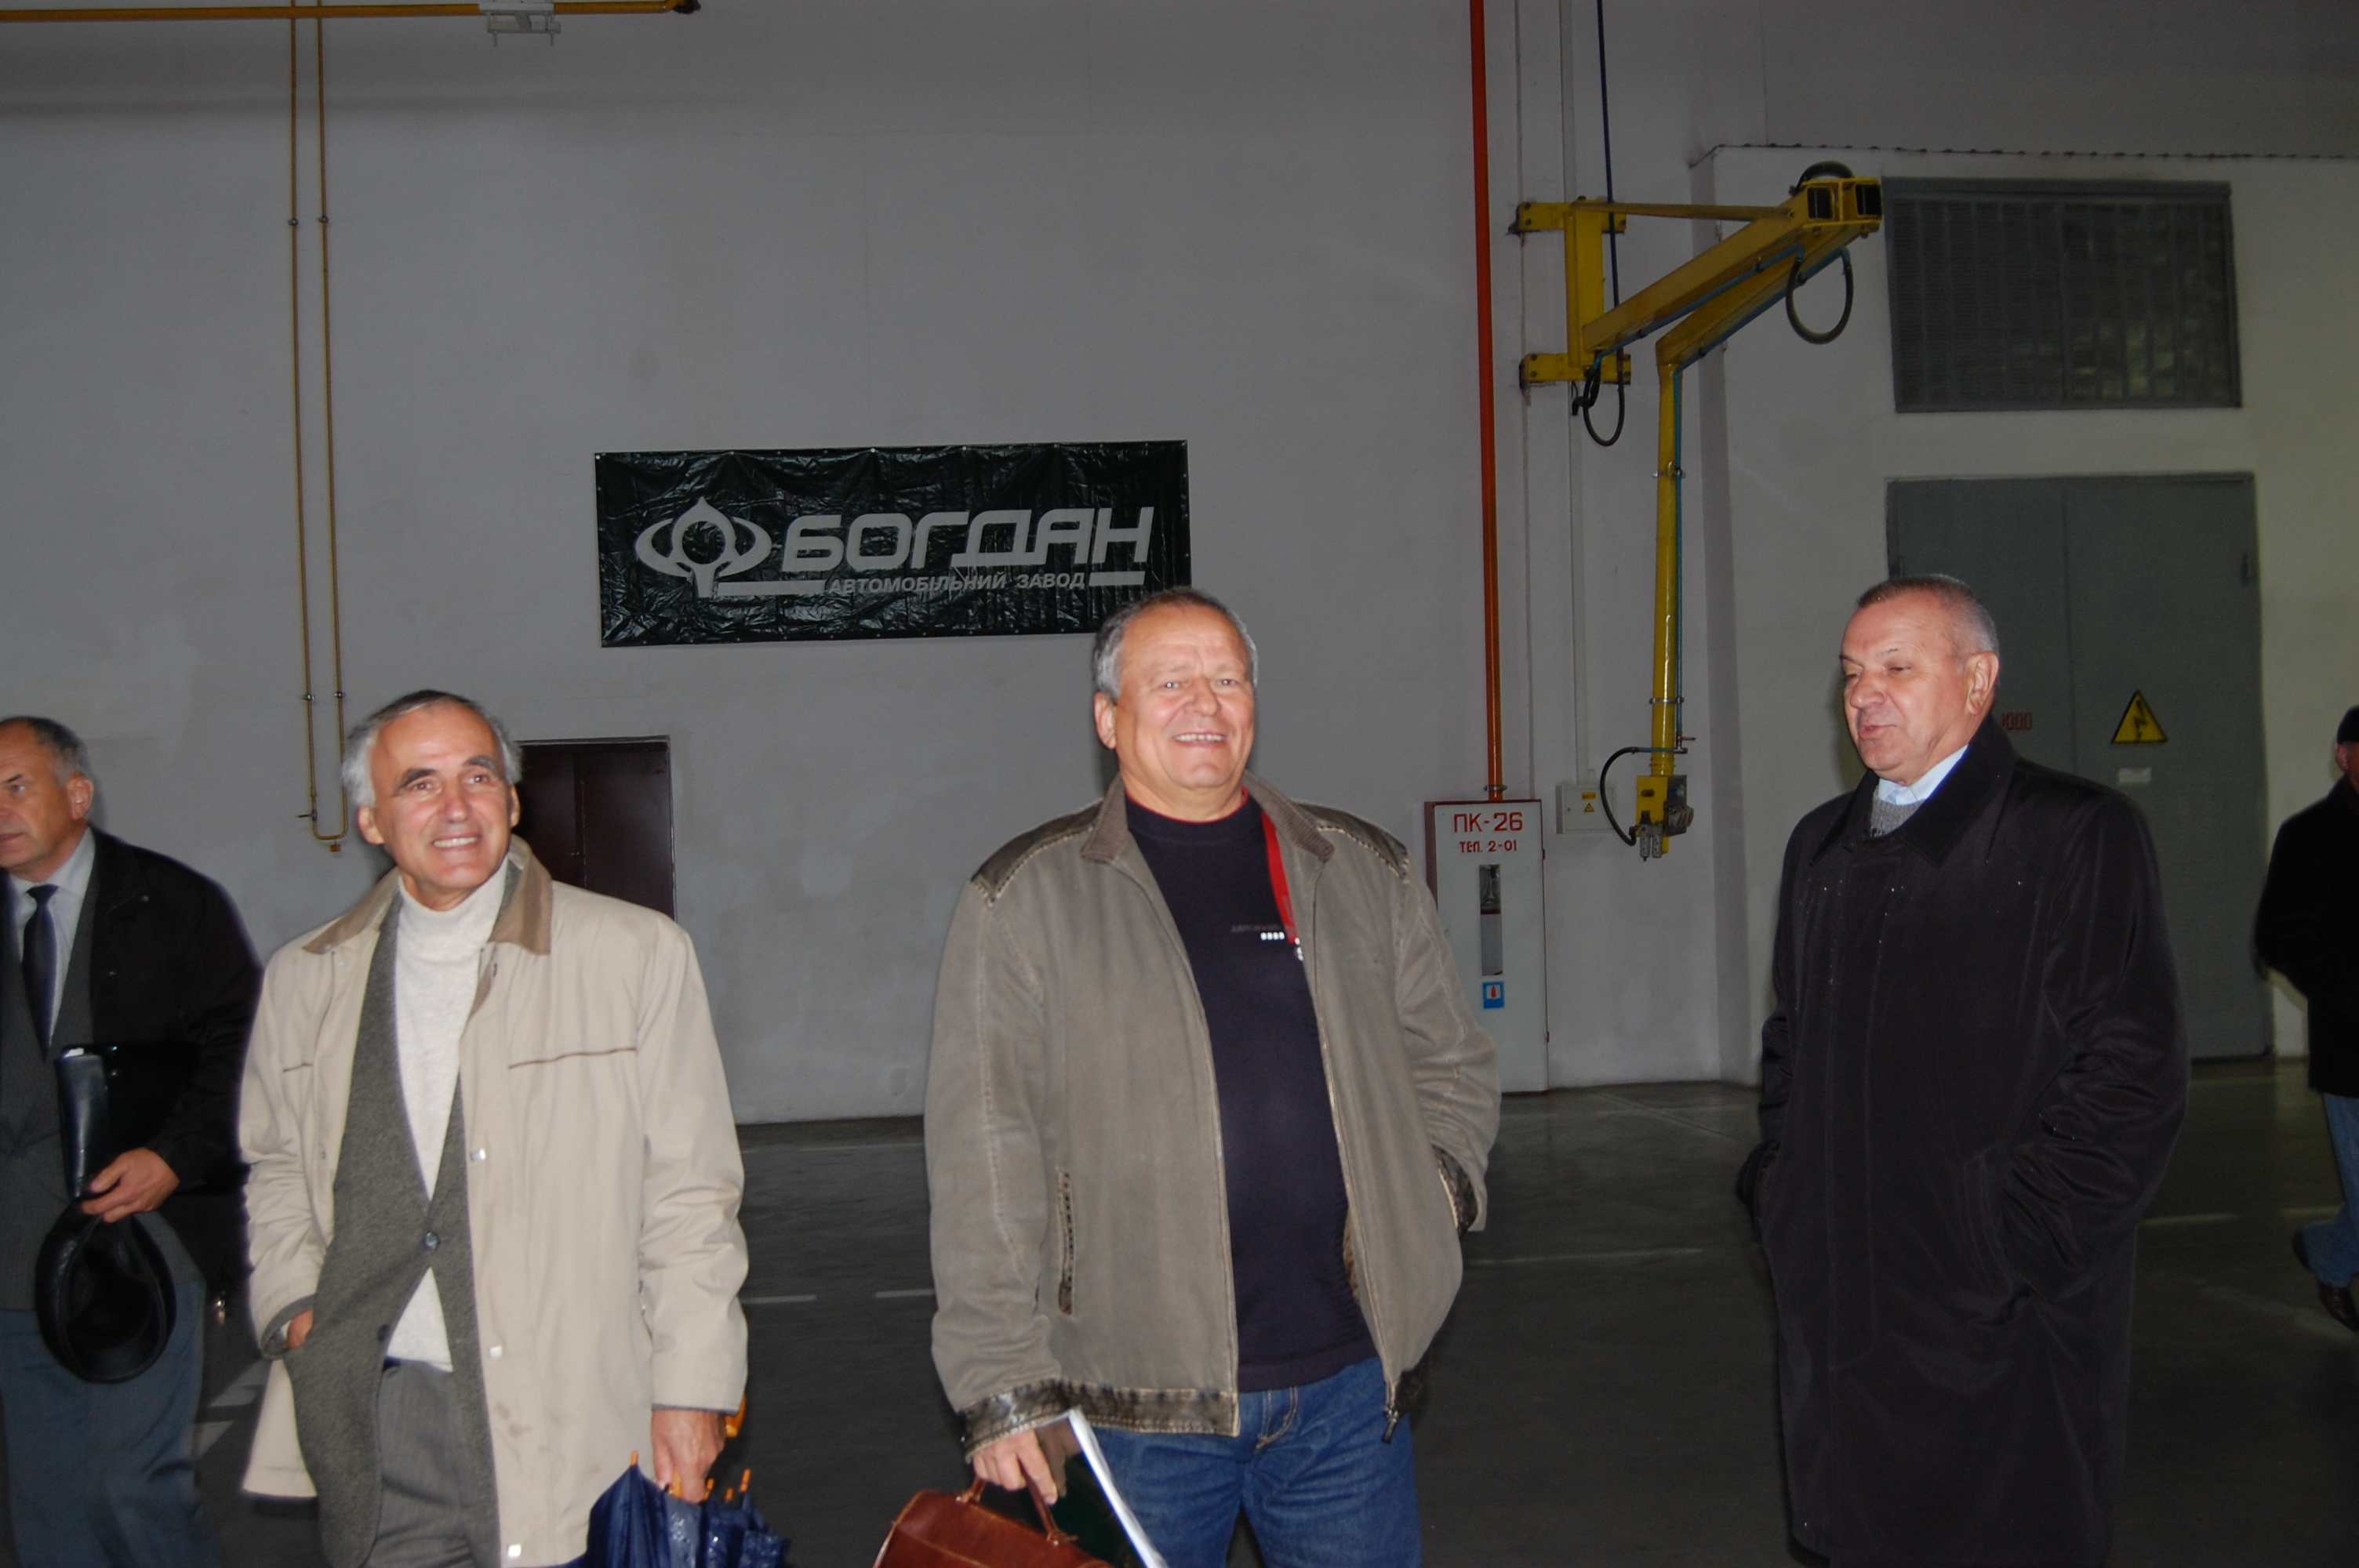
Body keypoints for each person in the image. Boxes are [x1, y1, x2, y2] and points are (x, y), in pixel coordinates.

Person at [925, 587, 1499, 1568]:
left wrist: (1430, 1197)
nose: (1205, 701)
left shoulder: (1359, 870)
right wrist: (1000, 1386)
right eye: (1170, 681)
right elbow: (983, 1151)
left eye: (1226, 678)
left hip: (1349, 1387)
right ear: (1108, 718)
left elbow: (1450, 1060)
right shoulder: (1024, 898)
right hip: (1131, 1406)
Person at [240, 691, 748, 1568]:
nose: (455, 806)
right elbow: (276, 1162)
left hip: (575, 1414)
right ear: (370, 820)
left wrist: (691, 1391)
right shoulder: (306, 978)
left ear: (512, 801)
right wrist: (295, 1312)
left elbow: (690, 1194)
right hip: (380, 1416)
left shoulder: (633, 955)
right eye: (419, 783)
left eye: (478, 777)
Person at [1740, 576, 2188, 1568]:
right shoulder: (1821, 846)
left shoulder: (2070, 833)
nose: (1864, 694)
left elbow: (2131, 1072)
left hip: (1997, 1312)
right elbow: (1790, 1042)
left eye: (1896, 667)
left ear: (1977, 680)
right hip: (1841, 1300)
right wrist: (1782, 1192)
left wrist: (2010, 1241)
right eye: (1851, 673)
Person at [0, 716, 256, 1568]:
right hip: (10, 1251)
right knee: (46, 1499)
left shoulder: (171, 904)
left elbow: (243, 1050)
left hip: (144, 1239)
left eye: (15, 786)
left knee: (129, 1482)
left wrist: (175, 1157)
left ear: (77, 794)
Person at [2255, 706, 2359, 1330]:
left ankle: (2329, 1249)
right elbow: (2279, 937)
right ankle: (2331, 1253)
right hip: (2355, 1051)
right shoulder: (2311, 836)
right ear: (2344, 756)